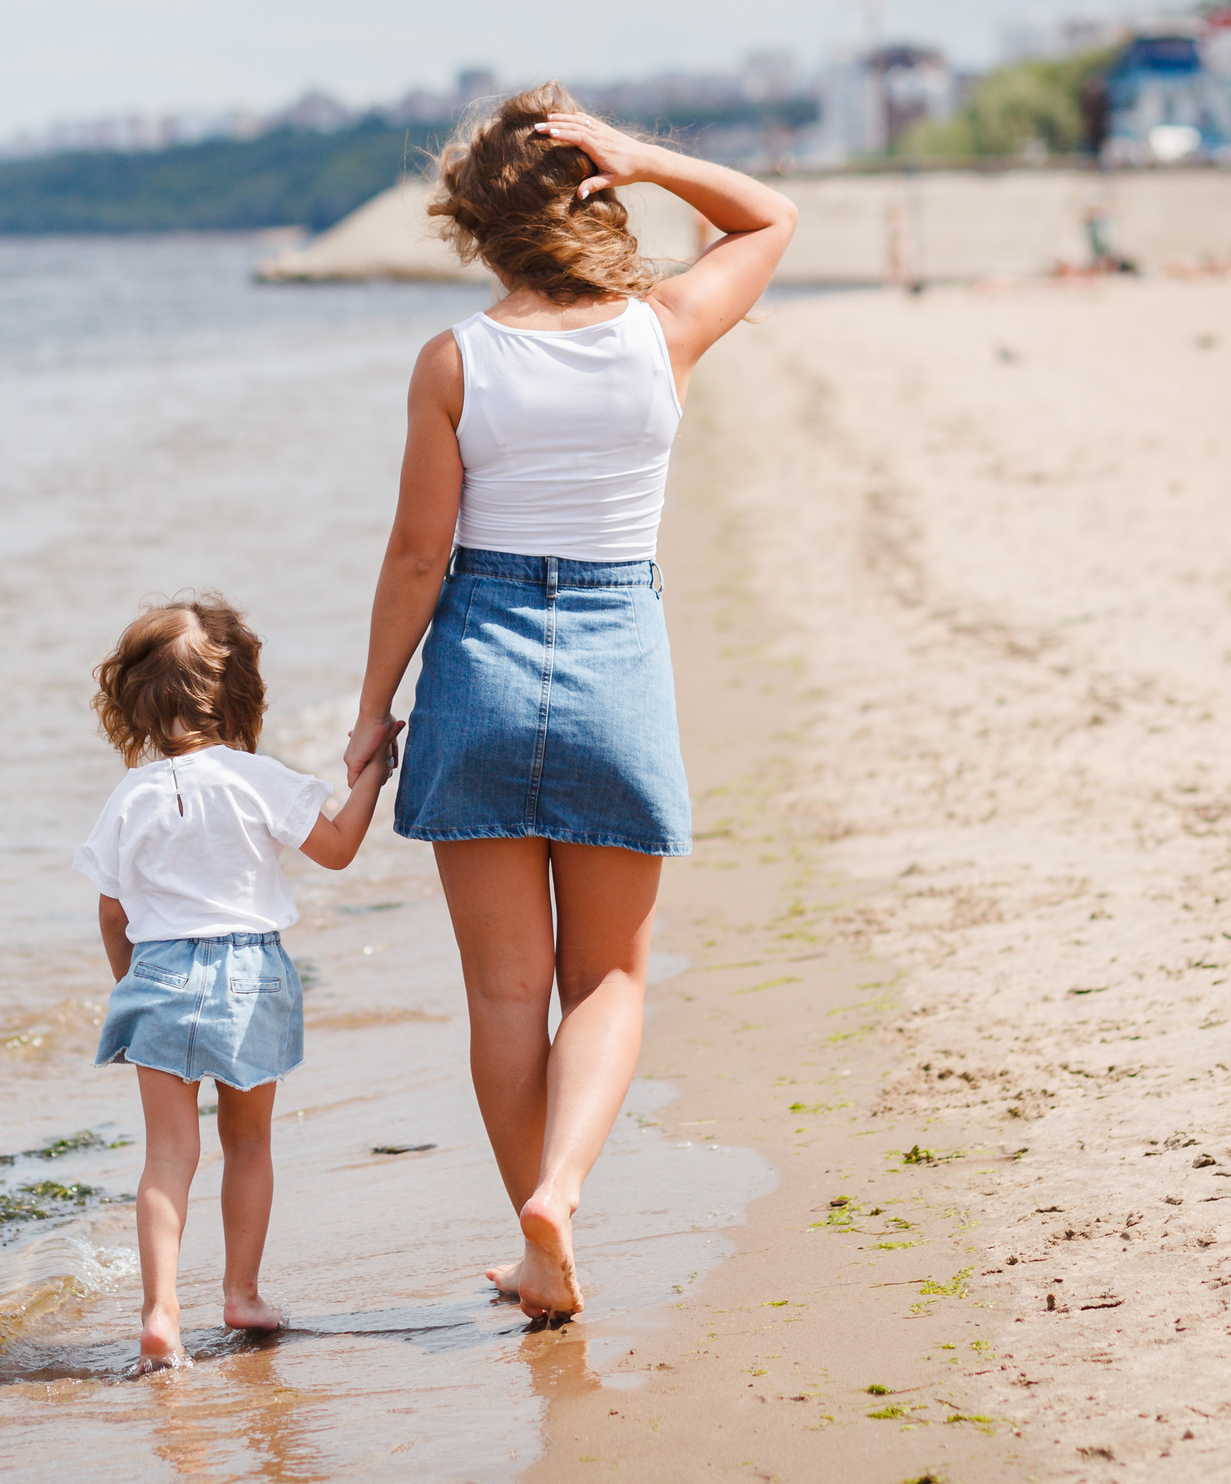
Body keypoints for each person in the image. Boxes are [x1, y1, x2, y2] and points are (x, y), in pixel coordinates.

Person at [342, 84, 796, 1321]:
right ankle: (564, 1194)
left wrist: (372, 712)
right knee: (608, 981)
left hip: (479, 664)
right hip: (614, 657)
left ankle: (534, 1250)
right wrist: (641, 156)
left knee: (503, 992)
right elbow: (768, 221)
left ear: (474, 226)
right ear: (592, 202)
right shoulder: (661, 333)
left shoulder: (456, 360)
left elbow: (414, 559)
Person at [75, 596, 401, 1370]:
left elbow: (113, 913)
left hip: (159, 975)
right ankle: (241, 1292)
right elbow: (338, 849)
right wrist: (375, 778)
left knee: (167, 1155)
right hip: (250, 972)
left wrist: (134, 985)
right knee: (247, 1140)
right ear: (239, 692)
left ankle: (160, 1313)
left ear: (138, 706)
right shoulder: (260, 779)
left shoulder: (131, 795)